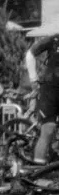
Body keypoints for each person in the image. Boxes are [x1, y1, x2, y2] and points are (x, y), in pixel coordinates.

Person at [25, 33, 59, 164]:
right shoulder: (54, 39)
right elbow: (30, 54)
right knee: (48, 129)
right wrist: (34, 79)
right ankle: (38, 175)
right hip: (51, 88)